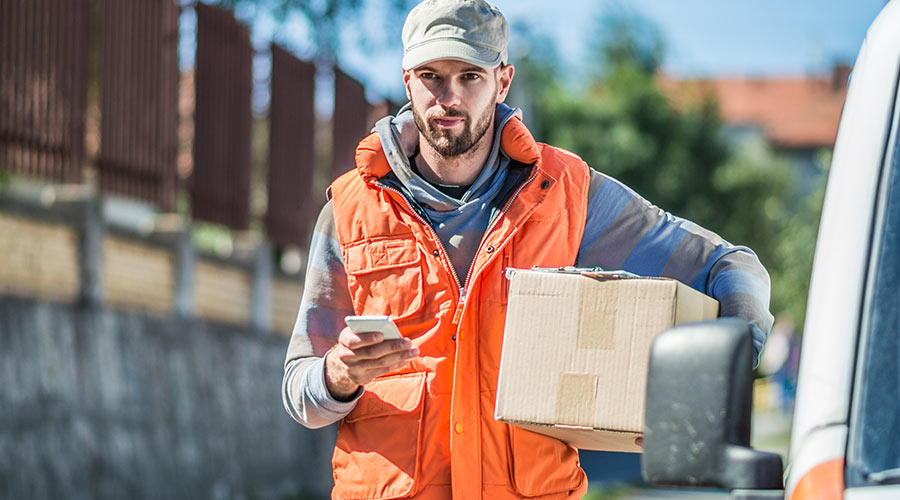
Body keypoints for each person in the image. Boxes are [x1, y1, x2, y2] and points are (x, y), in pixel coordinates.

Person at [282, 0, 774, 498]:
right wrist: (337, 375)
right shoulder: (349, 210)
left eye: (470, 76)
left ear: (502, 81)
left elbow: (727, 266)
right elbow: (300, 394)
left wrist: (729, 371)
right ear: (407, 80)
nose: (448, 97)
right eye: (432, 75)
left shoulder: (568, 194)